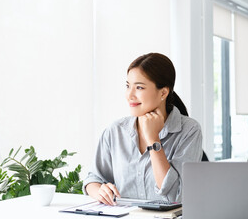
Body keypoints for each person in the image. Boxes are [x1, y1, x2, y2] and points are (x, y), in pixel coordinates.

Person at [83, 52, 203, 205]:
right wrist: (100, 191)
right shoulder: (115, 130)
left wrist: (153, 139)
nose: (129, 95)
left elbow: (175, 196)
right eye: (128, 86)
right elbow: (93, 179)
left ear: (163, 92)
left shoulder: (189, 130)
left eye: (139, 87)